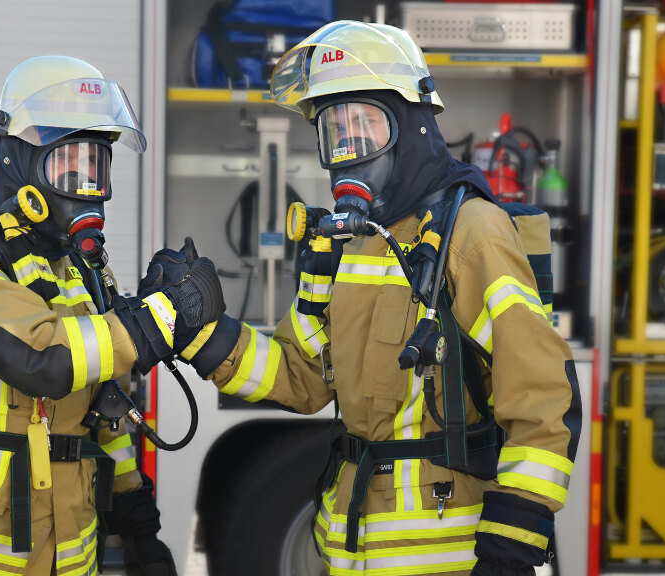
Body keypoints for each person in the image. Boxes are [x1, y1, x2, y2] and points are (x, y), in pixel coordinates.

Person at [146, 22, 581, 576]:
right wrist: (207, 335)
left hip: (446, 559)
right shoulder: (342, 242)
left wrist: (509, 549)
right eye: (335, 131)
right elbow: (303, 376)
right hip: (348, 552)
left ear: (415, 126)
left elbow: (543, 400)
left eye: (365, 126)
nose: (348, 149)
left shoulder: (473, 233)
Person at [0, 55, 224, 576]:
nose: (85, 184)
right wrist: (160, 318)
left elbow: (105, 412)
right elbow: (40, 360)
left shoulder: (73, 271)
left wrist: (140, 527)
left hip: (67, 559)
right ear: (16, 161)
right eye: (67, 164)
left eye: (96, 166)